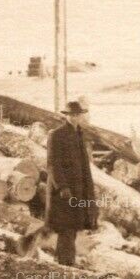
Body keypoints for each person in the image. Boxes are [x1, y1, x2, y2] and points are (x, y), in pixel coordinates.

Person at [45, 100, 97, 266]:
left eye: (77, 115)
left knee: (73, 227)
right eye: (71, 115)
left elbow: (84, 165)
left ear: (81, 116)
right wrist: (62, 187)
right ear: (66, 116)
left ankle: (65, 261)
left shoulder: (80, 133)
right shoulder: (57, 134)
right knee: (66, 228)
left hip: (79, 188)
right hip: (63, 191)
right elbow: (53, 164)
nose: (75, 118)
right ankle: (65, 263)